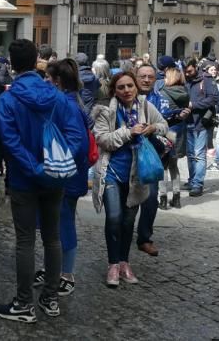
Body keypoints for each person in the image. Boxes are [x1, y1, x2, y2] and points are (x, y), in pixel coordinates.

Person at [0, 39, 87, 323]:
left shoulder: (7, 100)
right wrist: (55, 164)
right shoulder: (57, 96)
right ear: (37, 61)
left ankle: (24, 303)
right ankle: (50, 298)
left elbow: (9, 142)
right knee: (52, 238)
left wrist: (34, 167)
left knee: (25, 241)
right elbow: (78, 137)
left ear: (11, 63)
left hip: (24, 179)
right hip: (55, 178)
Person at [92, 71, 168, 287]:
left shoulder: (145, 106)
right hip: (112, 173)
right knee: (114, 218)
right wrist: (128, 132)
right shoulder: (105, 110)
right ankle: (112, 264)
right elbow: (102, 139)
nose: (126, 90)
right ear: (114, 90)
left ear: (136, 87)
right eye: (121, 87)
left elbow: (164, 125)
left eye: (129, 86)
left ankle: (124, 262)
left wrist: (153, 127)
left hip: (137, 175)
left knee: (127, 221)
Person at [32, 58, 93, 293]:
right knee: (55, 225)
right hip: (67, 174)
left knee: (63, 225)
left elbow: (76, 143)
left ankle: (66, 274)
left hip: (65, 176)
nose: (45, 81)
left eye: (48, 77)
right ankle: (54, 270)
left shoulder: (65, 104)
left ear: (57, 81)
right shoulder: (69, 101)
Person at [134, 64, 186, 256]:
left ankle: (144, 237)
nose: (146, 80)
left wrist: (173, 119)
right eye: (143, 76)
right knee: (127, 202)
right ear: (136, 77)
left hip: (151, 156)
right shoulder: (126, 93)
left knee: (150, 199)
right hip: (127, 156)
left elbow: (166, 124)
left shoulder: (160, 99)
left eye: (150, 76)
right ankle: (122, 234)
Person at [183, 59, 217, 197]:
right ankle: (192, 181)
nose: (187, 73)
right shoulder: (186, 80)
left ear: (196, 68)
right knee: (190, 154)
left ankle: (198, 184)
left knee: (199, 155)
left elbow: (213, 99)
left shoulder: (207, 80)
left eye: (190, 71)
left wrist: (193, 105)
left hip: (201, 122)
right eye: (185, 71)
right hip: (188, 121)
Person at [159, 67, 190, 209]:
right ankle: (177, 198)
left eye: (166, 77)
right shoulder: (185, 92)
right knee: (174, 165)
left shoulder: (164, 92)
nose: (164, 79)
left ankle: (163, 198)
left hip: (167, 132)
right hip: (180, 131)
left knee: (162, 166)